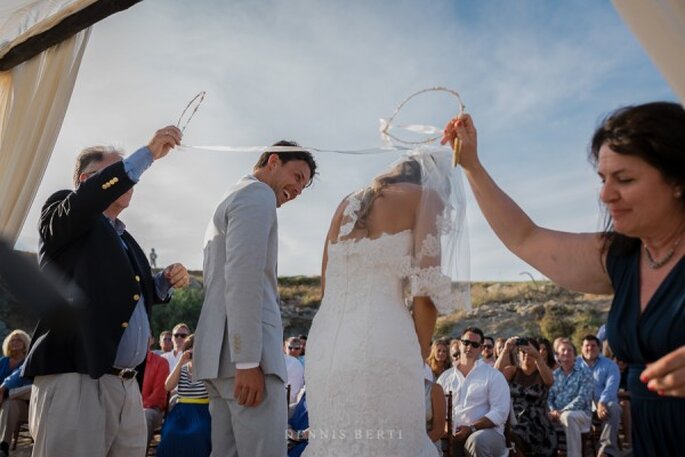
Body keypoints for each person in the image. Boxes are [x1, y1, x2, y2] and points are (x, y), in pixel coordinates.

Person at [442, 102, 685, 455]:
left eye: (625, 179)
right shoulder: (621, 256)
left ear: (678, 180)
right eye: (604, 179)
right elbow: (526, 238)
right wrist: (472, 165)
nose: (605, 195)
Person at [22, 126, 191, 457]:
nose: (130, 182)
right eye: (116, 172)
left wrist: (164, 283)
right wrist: (148, 154)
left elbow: (133, 297)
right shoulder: (63, 210)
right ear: (87, 180)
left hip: (127, 388)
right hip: (77, 378)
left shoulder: (126, 240)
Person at [304, 147, 469, 456]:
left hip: (324, 346)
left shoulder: (346, 204)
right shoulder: (424, 197)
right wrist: (418, 352)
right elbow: (426, 290)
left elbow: (327, 282)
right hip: (383, 343)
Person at [194, 142, 317, 457]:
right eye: (297, 176)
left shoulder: (229, 197)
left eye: (304, 184)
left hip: (218, 357)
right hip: (246, 360)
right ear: (273, 161)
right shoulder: (257, 194)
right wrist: (247, 360)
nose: (299, 189)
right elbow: (243, 278)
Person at [436, 328, 510, 457]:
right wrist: (446, 426)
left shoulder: (493, 375)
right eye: (466, 342)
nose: (469, 347)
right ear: (459, 344)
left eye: (474, 344)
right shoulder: (445, 377)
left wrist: (471, 428)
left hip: (487, 434)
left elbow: (500, 412)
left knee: (476, 441)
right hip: (451, 434)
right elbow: (437, 408)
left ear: (481, 349)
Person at [496, 337, 556, 457]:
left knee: (512, 436)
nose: (525, 355)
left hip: (537, 422)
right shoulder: (513, 371)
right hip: (514, 418)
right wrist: (505, 350)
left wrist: (538, 357)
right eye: (522, 352)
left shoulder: (543, 373)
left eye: (528, 352)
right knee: (507, 434)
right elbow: (495, 375)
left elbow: (550, 381)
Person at [157, 334, 211, 457]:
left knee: (199, 432)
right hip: (181, 410)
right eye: (190, 348)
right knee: (170, 432)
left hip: (202, 411)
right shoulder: (181, 369)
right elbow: (168, 386)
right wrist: (181, 362)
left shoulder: (207, 370)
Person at [547, 338, 593, 457]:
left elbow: (583, 398)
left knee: (568, 417)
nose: (566, 353)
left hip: (581, 414)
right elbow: (549, 397)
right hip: (557, 414)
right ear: (557, 355)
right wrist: (552, 411)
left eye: (570, 350)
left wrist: (562, 411)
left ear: (575, 355)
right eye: (563, 350)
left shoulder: (584, 373)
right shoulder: (554, 375)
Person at [578, 334, 622, 456]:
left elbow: (611, 387)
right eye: (587, 345)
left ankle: (606, 451)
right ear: (581, 347)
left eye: (593, 346)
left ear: (599, 348)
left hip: (603, 403)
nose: (590, 348)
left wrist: (601, 402)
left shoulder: (610, 365)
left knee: (613, 408)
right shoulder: (574, 364)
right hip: (581, 404)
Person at [0, 330, 31, 457]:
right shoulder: (3, 361)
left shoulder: (29, 361)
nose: (15, 342)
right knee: (10, 403)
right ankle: (3, 447)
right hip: (6, 404)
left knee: (34, 388)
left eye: (19, 340)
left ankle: (8, 393)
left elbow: (19, 377)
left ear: (25, 344)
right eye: (12, 340)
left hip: (27, 406)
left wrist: (3, 389)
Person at [143, 338, 170, 448]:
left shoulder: (161, 362)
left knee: (145, 415)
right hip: (128, 407)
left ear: (151, 341)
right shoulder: (125, 361)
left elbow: (158, 396)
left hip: (152, 409)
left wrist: (135, 408)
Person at [284, 337, 305, 404]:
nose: (293, 350)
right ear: (284, 348)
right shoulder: (279, 362)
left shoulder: (306, 362)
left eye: (296, 348)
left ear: (300, 349)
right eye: (290, 347)